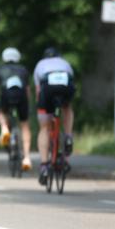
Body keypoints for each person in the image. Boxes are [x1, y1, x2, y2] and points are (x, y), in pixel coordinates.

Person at [33, 47, 75, 186]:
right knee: (67, 107)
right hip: (65, 84)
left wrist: (41, 107)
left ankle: (45, 166)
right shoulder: (65, 63)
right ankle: (68, 136)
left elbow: (38, 91)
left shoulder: (40, 64)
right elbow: (72, 80)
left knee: (44, 128)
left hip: (47, 86)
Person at [0, 47, 33, 171]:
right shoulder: (23, 70)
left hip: (6, 96)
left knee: (1, 113)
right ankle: (27, 158)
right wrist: (28, 105)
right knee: (24, 125)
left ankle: (4, 129)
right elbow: (28, 90)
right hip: (21, 97)